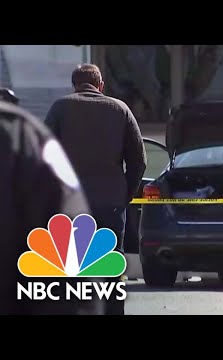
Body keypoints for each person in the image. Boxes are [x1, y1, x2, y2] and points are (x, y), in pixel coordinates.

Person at [45, 64, 147, 315]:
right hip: (110, 205)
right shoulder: (120, 109)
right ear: (101, 86)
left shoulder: (60, 108)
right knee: (111, 272)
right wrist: (124, 195)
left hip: (70, 207)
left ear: (74, 85)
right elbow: (139, 161)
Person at [0, 95, 105, 315]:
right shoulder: (19, 137)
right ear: (101, 85)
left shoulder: (24, 134)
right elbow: (70, 281)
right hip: (105, 201)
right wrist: (123, 192)